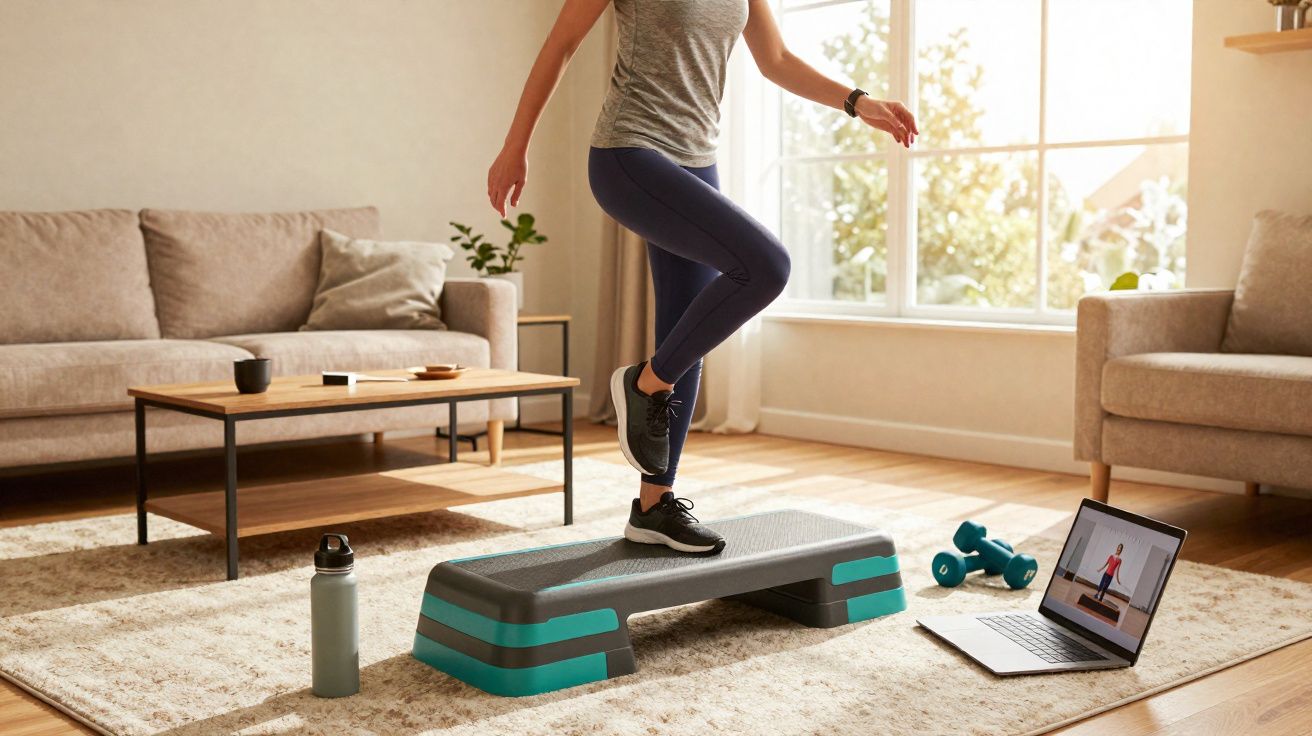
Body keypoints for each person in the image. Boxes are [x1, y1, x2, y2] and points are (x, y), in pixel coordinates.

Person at [487, 0, 917, 554]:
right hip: (629, 153)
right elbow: (562, 43)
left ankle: (652, 507)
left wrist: (859, 103)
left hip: (696, 160)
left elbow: (777, 59)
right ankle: (643, 383)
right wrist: (515, 146)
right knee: (766, 265)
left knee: (684, 330)